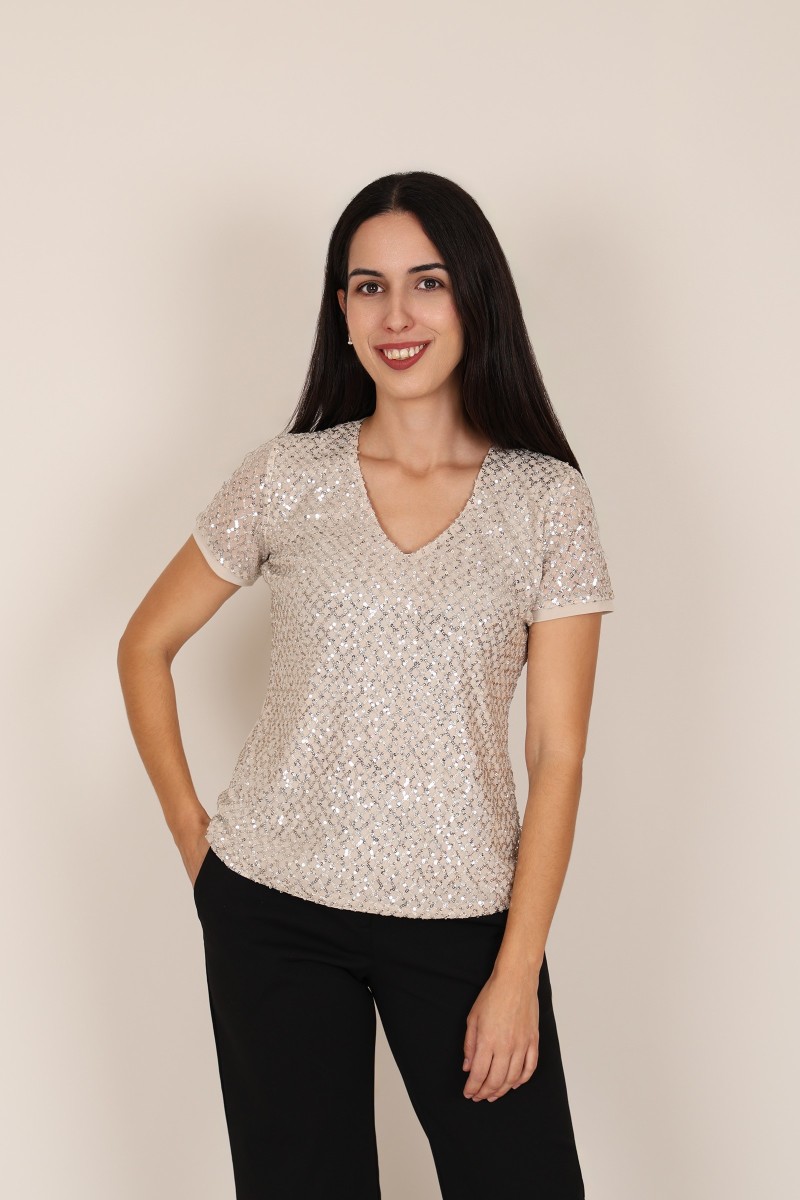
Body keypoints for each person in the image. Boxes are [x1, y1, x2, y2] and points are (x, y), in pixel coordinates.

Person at [117, 170, 615, 1200]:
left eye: (427, 283)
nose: (397, 315)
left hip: (464, 916)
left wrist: (517, 967)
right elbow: (144, 645)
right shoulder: (286, 477)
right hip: (273, 910)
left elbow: (557, 754)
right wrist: (198, 847)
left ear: (474, 297)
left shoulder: (545, 501)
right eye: (368, 286)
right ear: (340, 311)